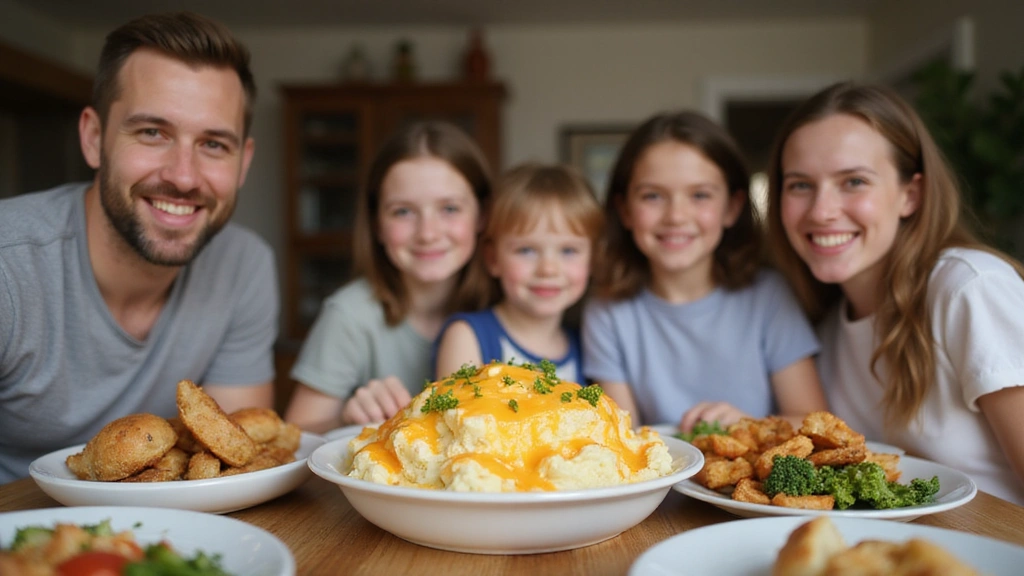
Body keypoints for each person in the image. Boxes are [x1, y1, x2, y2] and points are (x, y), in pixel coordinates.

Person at [0, 12, 276, 484]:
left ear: (242, 162)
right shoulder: (9, 263)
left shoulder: (244, 265)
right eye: (152, 132)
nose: (183, 176)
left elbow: (232, 467)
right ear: (93, 138)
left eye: (213, 144)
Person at [766, 81, 1024, 505]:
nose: (821, 211)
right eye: (799, 185)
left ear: (911, 195)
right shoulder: (827, 324)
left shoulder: (970, 288)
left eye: (853, 181)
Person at [582, 111, 828, 431]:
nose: (676, 216)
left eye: (700, 195)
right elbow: (621, 436)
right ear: (625, 210)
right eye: (652, 196)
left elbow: (816, 424)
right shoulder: (607, 311)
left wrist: (749, 424)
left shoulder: (770, 297)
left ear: (732, 207)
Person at [285, 122, 492, 432]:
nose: (428, 233)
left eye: (449, 208)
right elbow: (296, 436)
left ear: (482, 215)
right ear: (377, 225)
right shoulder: (350, 315)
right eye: (403, 212)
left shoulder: (510, 301)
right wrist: (345, 419)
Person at [434, 163, 603, 383]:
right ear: (493, 259)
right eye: (527, 250)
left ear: (592, 259)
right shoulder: (467, 337)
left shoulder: (587, 346)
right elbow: (455, 416)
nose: (548, 269)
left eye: (568, 250)